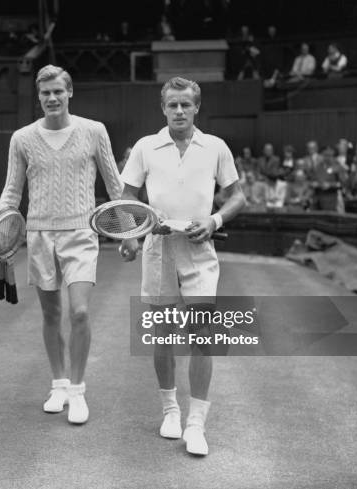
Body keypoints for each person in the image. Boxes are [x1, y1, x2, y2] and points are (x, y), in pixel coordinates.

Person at [119, 77, 246, 456]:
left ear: (196, 107)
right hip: (158, 248)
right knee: (163, 336)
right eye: (172, 105)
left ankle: (196, 424)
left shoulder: (216, 147)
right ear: (163, 108)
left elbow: (237, 197)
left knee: (202, 337)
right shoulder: (145, 147)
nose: (178, 111)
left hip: (200, 250)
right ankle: (170, 410)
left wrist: (214, 221)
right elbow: (127, 199)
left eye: (185, 105)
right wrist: (131, 236)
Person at [0, 65, 123, 425]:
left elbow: (115, 188)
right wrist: (2, 231)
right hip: (39, 235)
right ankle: (59, 385)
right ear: (38, 96)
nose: (52, 98)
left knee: (79, 312)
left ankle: (79, 392)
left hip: (81, 233)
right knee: (51, 315)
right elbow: (12, 191)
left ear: (70, 93)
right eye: (45, 93)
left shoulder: (94, 131)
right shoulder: (21, 138)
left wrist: (130, 234)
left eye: (58, 92)